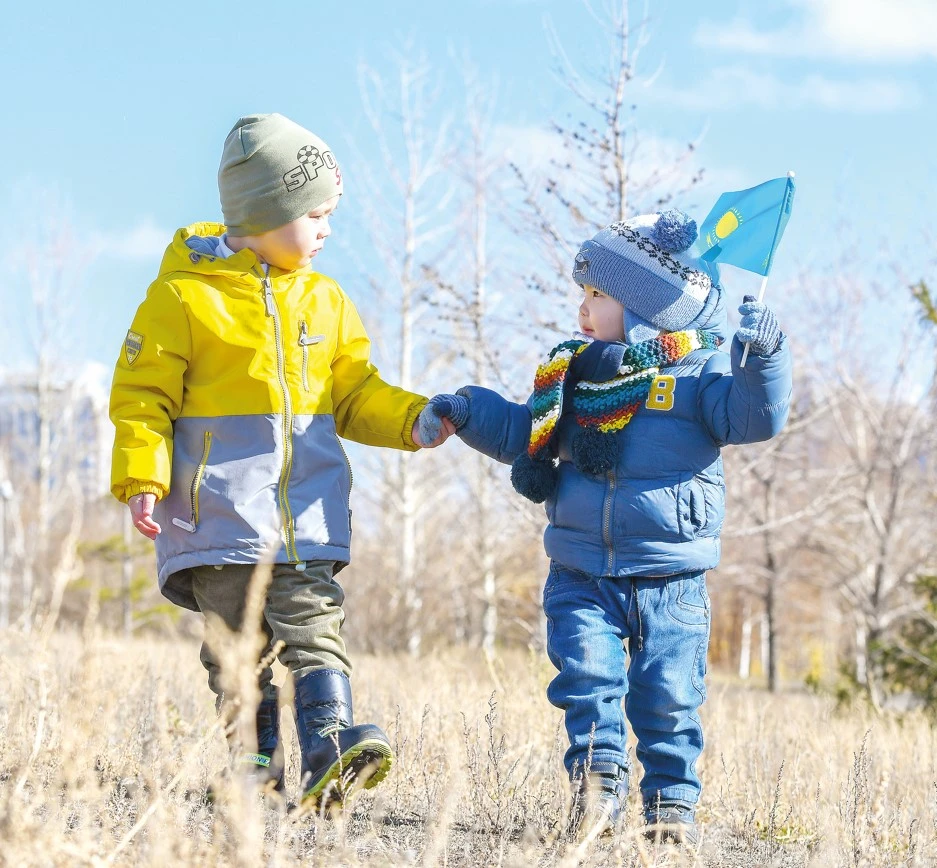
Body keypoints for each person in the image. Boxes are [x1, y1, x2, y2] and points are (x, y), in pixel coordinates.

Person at [109, 113, 453, 810]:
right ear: (265, 214)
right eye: (315, 214)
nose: (326, 229)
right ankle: (253, 766)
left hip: (305, 517)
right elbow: (141, 396)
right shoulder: (183, 299)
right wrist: (142, 475)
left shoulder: (326, 302)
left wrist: (414, 418)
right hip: (219, 523)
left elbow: (355, 393)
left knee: (315, 626)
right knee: (238, 654)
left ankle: (329, 745)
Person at [422, 210, 792, 844]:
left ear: (648, 307)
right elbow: (522, 434)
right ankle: (596, 792)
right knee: (587, 683)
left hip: (670, 577)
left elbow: (755, 418)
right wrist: (465, 408)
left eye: (598, 295)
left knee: (669, 699)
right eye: (583, 294)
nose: (583, 309)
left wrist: (765, 356)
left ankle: (670, 808)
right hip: (580, 570)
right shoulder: (576, 375)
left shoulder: (700, 379)